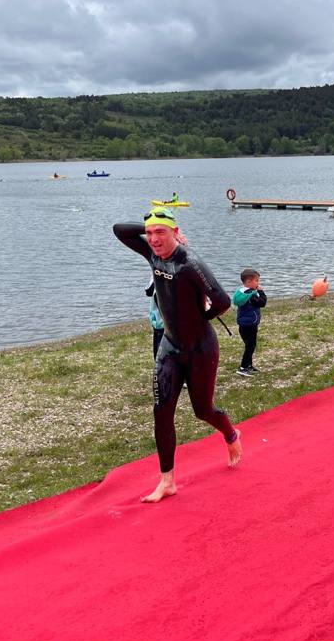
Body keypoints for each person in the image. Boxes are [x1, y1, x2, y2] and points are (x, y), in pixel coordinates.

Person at [114, 207, 242, 503]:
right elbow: (119, 229)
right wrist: (150, 225)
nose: (154, 239)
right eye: (149, 233)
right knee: (161, 412)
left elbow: (222, 301)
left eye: (161, 232)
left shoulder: (190, 263)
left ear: (175, 232)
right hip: (169, 348)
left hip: (200, 349)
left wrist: (198, 316)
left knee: (203, 411)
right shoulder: (151, 254)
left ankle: (231, 434)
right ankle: (167, 481)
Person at [233, 269, 267, 377]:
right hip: (250, 324)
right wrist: (261, 291)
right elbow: (262, 303)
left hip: (243, 324)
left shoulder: (241, 292)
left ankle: (249, 365)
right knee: (250, 346)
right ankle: (243, 367)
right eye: (256, 281)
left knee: (249, 345)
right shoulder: (250, 295)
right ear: (248, 282)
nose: (258, 283)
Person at [146, 282, 164, 360]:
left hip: (159, 322)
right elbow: (149, 292)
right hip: (161, 322)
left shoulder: (155, 275)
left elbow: (148, 291)